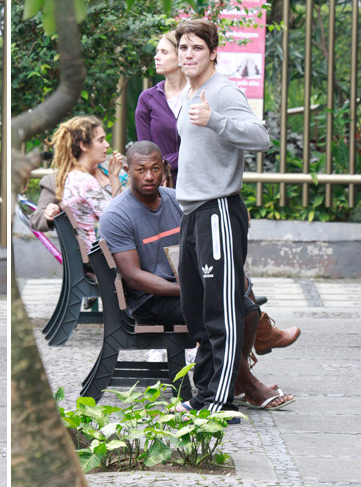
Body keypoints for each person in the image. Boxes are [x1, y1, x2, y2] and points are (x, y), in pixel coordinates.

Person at [99, 141, 295, 411]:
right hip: (150, 300)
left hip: (189, 286)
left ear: (164, 168)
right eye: (140, 169)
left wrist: (205, 286)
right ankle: (246, 384)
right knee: (217, 314)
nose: (148, 176)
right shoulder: (117, 214)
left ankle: (232, 377)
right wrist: (194, 291)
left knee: (247, 309)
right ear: (126, 170)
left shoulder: (177, 200)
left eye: (155, 168)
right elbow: (134, 278)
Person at [173, 19, 270, 413]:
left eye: (196, 48)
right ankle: (203, 396)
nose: (188, 55)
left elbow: (260, 137)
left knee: (222, 311)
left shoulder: (223, 91)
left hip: (218, 211)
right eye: (183, 48)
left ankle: (218, 401)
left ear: (213, 52)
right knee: (196, 311)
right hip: (192, 212)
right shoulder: (192, 90)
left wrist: (215, 119)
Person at [48, 116, 124, 251]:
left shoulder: (72, 177)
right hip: (106, 258)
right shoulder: (85, 182)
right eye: (101, 140)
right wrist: (114, 177)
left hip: (94, 255)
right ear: (83, 145)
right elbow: (120, 218)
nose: (107, 145)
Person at [135, 31, 188, 186]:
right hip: (161, 184)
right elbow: (145, 151)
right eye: (157, 52)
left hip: (198, 183)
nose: (156, 57)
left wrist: (166, 162)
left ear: (181, 58)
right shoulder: (147, 99)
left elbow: (206, 149)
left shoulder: (199, 95)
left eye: (164, 52)